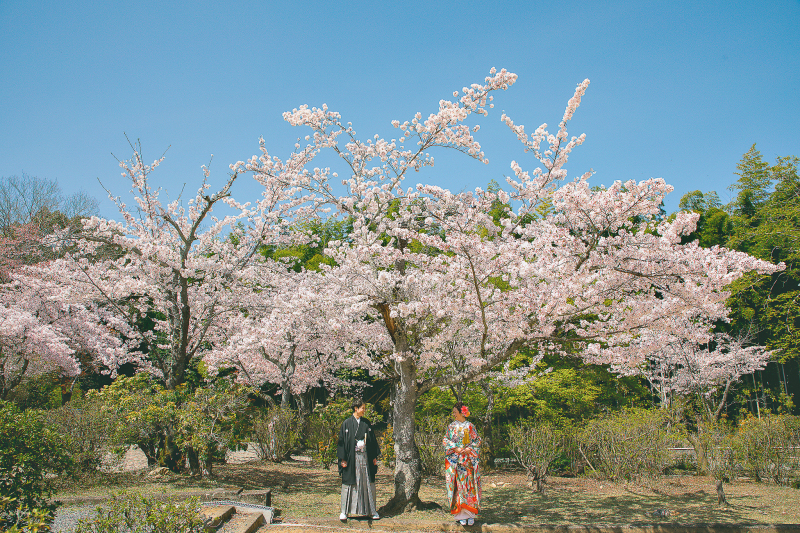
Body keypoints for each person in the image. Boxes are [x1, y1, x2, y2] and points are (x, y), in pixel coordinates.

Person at [336, 398, 380, 521]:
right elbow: (341, 442)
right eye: (363, 408)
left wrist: (374, 457)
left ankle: (372, 510)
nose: (364, 410)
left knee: (368, 482)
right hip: (351, 458)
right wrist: (342, 459)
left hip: (365, 457)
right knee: (349, 483)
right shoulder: (346, 423)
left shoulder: (366, 423)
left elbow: (372, 441)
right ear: (356, 408)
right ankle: (344, 511)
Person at [443, 401, 481, 526]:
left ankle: (471, 515)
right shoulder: (451, 426)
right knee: (457, 487)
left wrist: (470, 448)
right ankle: (460, 515)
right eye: (453, 412)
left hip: (468, 460)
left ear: (461, 412)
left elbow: (477, 440)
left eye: (455, 412)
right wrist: (455, 447)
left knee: (469, 486)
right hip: (456, 461)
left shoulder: (470, 426)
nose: (453, 414)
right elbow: (445, 440)